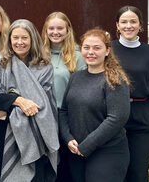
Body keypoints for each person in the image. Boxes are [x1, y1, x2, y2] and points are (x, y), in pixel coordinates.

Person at [0, 19, 59, 182]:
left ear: (32, 39)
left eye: (24, 38)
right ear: (9, 40)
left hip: (34, 136)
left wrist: (6, 102)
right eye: (15, 38)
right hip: (0, 137)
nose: (19, 42)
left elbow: (40, 104)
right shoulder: (0, 65)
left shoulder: (44, 67)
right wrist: (18, 100)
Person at [59, 28, 131, 182]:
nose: (90, 52)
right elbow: (64, 110)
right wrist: (68, 138)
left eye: (97, 48)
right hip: (76, 151)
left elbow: (116, 118)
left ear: (107, 51)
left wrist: (86, 146)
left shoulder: (115, 80)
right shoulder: (76, 77)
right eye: (86, 47)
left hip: (107, 152)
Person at [111, 5, 149, 182]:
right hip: (114, 117)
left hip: (142, 118)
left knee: (138, 172)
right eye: (124, 22)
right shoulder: (108, 50)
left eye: (133, 21)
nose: (129, 26)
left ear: (140, 25)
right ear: (117, 25)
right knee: (116, 171)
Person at [41, 12, 86, 182]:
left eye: (60, 28)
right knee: (47, 166)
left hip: (68, 118)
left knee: (67, 167)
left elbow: (83, 89)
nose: (55, 32)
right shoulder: (38, 55)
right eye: (51, 28)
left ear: (68, 30)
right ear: (45, 30)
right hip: (43, 117)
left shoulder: (78, 56)